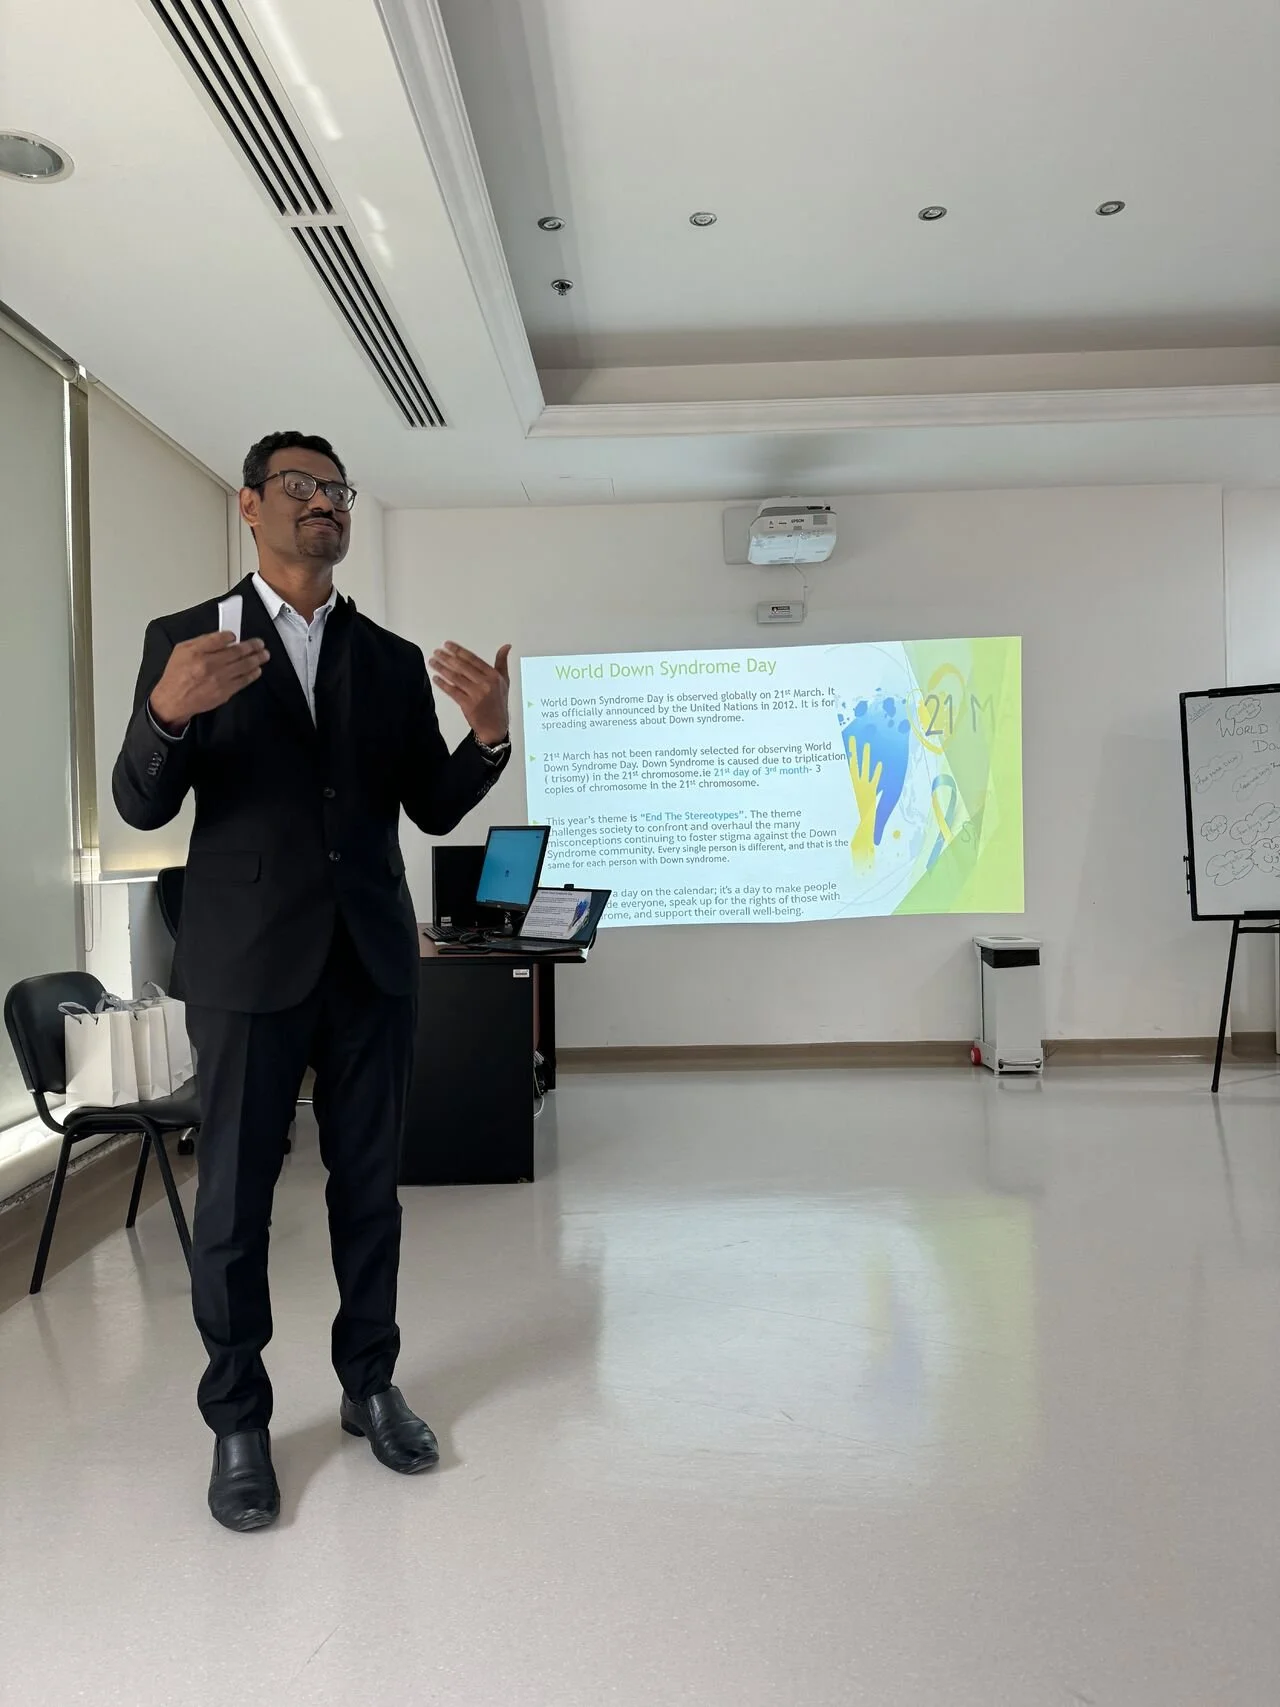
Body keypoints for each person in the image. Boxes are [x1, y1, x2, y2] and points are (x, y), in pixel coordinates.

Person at [113, 430, 512, 1532]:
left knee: (368, 1192)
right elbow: (141, 805)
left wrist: (485, 741)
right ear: (249, 506)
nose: (323, 503)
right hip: (244, 964)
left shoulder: (383, 659)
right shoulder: (186, 639)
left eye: (335, 489)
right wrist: (166, 715)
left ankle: (368, 1383)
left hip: (370, 960)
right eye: (299, 486)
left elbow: (428, 805)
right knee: (235, 1204)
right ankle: (238, 1418)